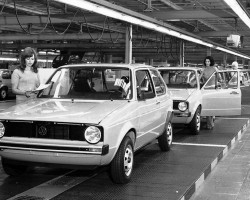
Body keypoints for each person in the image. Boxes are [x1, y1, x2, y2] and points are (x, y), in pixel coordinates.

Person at [200, 56, 217, 130]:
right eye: (206, 61)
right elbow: (199, 78)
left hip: (213, 90)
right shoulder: (203, 69)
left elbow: (218, 78)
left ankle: (210, 122)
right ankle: (210, 123)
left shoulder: (215, 69)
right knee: (207, 107)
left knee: (211, 107)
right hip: (205, 90)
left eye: (208, 61)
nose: (207, 63)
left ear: (211, 62)